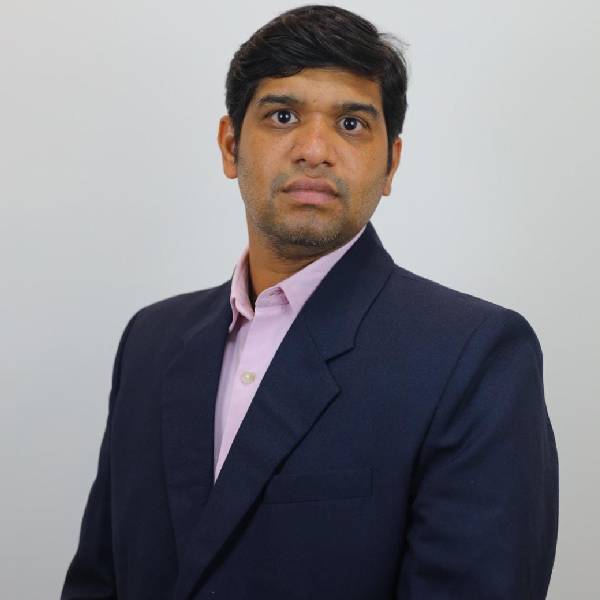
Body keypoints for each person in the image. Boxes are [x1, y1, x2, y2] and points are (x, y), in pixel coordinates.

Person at [60, 5, 558, 599]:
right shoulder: (151, 340)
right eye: (283, 115)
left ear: (391, 164)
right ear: (230, 146)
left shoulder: (473, 357)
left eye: (351, 123)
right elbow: (98, 581)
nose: (315, 149)